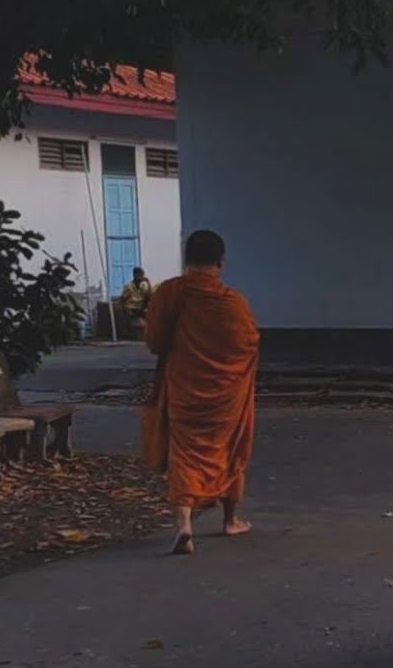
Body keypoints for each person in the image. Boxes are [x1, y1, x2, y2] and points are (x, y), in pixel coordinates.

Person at [142, 230, 260, 555]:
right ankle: (230, 520)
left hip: (184, 389)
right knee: (229, 450)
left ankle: (184, 526)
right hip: (225, 397)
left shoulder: (170, 293)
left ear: (186, 259)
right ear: (221, 262)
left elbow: (154, 342)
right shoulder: (232, 302)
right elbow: (248, 342)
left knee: (185, 455)